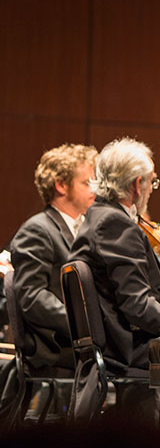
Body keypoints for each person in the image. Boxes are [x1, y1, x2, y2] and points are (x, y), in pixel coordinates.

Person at [68, 137, 160, 420]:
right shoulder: (115, 223)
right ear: (137, 185)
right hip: (128, 347)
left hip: (117, 342)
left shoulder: (97, 216)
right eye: (152, 183)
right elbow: (137, 305)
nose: (151, 190)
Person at [9, 143, 97, 369]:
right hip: (57, 349)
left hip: (81, 344)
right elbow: (32, 296)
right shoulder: (38, 230)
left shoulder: (86, 229)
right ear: (61, 185)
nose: (94, 190)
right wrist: (85, 325)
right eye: (87, 182)